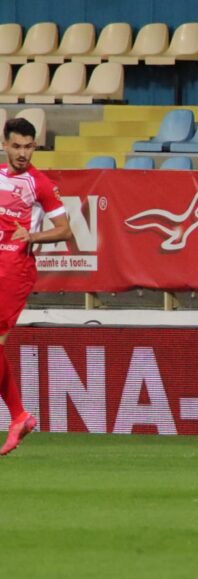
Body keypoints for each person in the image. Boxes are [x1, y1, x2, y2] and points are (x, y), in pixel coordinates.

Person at [0, 117, 72, 456]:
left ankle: (18, 414)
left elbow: (65, 230)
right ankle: (19, 416)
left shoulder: (39, 183)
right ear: (5, 145)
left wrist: (33, 235)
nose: (23, 153)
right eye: (17, 146)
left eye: (29, 147)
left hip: (15, 270)